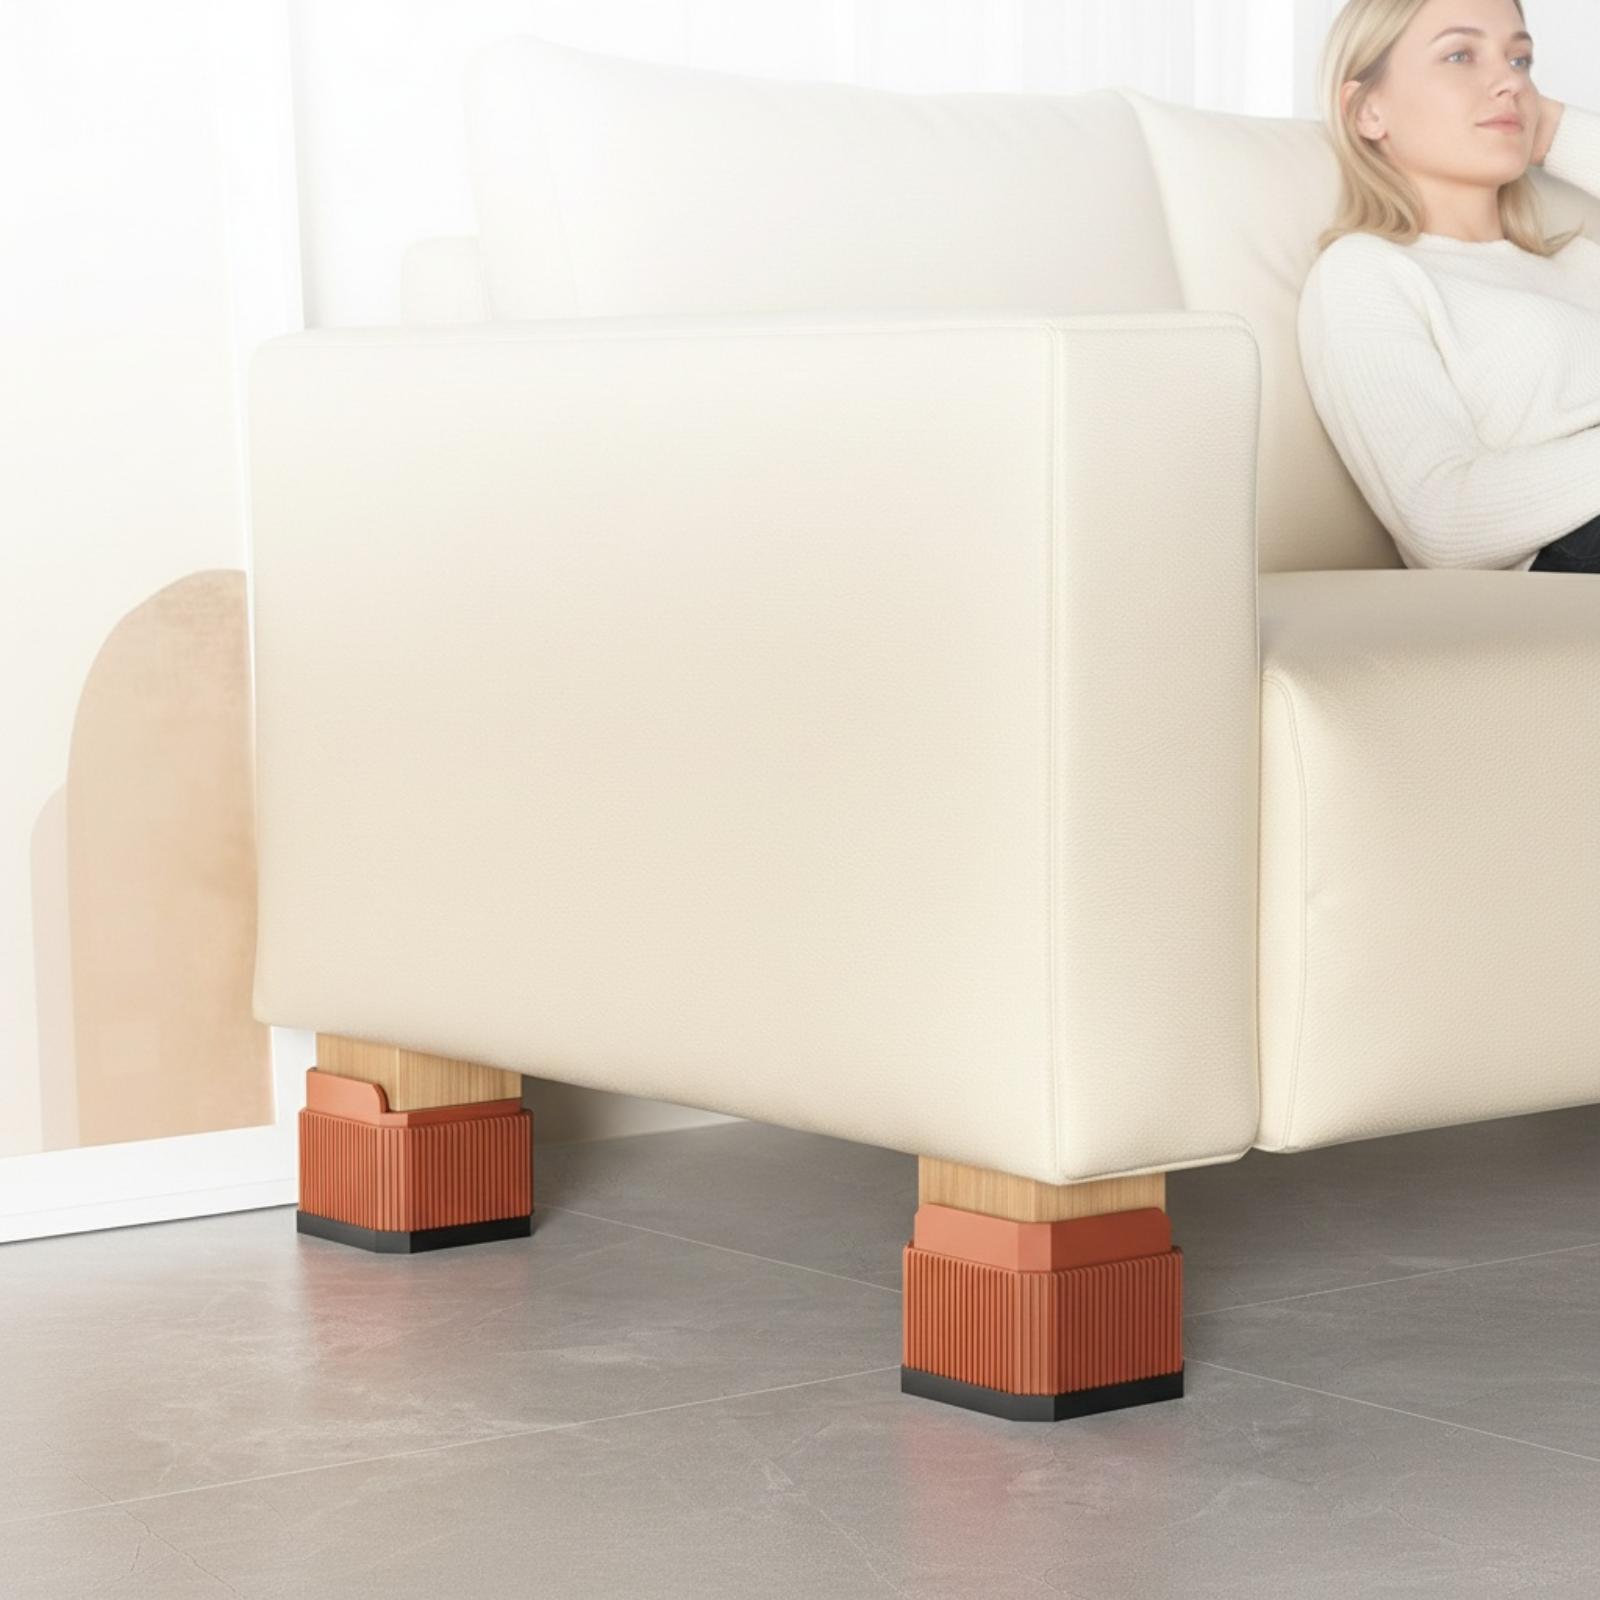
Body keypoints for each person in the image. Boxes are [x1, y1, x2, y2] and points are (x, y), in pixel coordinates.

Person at [1298, 0, 1600, 574]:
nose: (1510, 82)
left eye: (1520, 59)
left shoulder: (1580, 262)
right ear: (1368, 110)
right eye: (1460, 55)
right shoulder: (1367, 271)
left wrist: (1557, 131)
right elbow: (1439, 517)